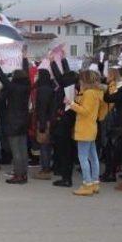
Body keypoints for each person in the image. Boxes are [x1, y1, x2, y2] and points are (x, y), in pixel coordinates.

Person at [66, 70, 107, 196]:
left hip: (84, 128)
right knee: (93, 157)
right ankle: (94, 183)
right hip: (92, 127)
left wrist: (71, 103)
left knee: (83, 157)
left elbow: (85, 111)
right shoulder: (97, 92)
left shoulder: (89, 93)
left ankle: (87, 184)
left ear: (85, 81)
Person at [0, 55, 31, 185]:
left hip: (13, 121)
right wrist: (25, 58)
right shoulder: (27, 87)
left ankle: (18, 175)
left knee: (16, 150)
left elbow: (1, 76)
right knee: (23, 148)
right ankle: (24, 173)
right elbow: (26, 72)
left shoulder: (12, 87)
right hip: (24, 120)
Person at [50, 56, 78, 188]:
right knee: (69, 152)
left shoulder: (66, 90)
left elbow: (60, 77)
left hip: (63, 124)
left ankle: (66, 178)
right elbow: (64, 76)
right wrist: (62, 59)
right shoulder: (72, 87)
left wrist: (52, 62)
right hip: (70, 123)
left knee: (64, 152)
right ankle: (66, 177)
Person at [32, 69, 55, 180]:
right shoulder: (50, 88)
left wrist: (41, 124)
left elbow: (42, 108)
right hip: (50, 120)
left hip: (44, 121)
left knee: (44, 146)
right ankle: (47, 167)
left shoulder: (42, 90)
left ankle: (45, 169)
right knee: (48, 145)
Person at [100, 68, 121, 182]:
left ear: (113, 76)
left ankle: (110, 172)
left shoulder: (113, 87)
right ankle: (108, 172)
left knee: (108, 147)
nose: (106, 76)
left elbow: (110, 102)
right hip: (106, 117)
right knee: (108, 148)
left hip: (107, 118)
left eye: (108, 74)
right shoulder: (111, 86)